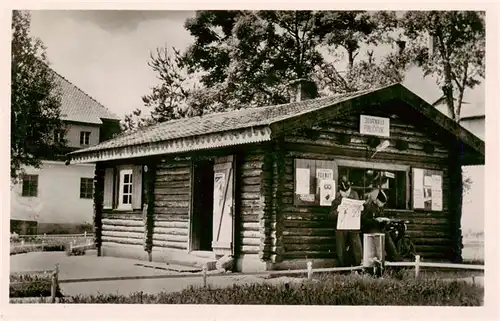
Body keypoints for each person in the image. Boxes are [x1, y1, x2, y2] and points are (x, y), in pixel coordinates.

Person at [361, 187, 401, 262]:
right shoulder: (369, 207)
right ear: (376, 200)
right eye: (382, 203)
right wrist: (375, 220)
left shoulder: (378, 207)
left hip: (378, 229)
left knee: (389, 236)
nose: (382, 205)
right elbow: (364, 221)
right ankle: (393, 258)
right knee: (385, 237)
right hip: (370, 230)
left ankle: (394, 258)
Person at [331, 176, 363, 267]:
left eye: (347, 191)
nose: (346, 193)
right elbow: (330, 216)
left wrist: (361, 209)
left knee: (356, 243)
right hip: (342, 227)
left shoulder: (355, 195)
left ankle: (358, 265)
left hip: (353, 226)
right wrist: (337, 210)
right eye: (343, 192)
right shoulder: (336, 201)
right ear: (340, 191)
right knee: (340, 242)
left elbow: (361, 211)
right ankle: (344, 266)